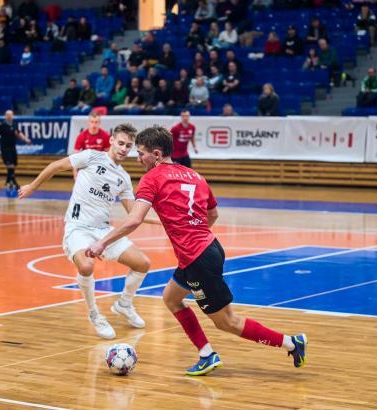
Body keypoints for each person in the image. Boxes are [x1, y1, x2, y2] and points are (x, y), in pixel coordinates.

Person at [85, 126, 307, 375]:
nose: (137, 159)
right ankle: (206, 353)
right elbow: (213, 214)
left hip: (198, 258)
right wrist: (193, 231)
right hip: (208, 248)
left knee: (226, 322)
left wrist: (102, 242)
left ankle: (291, 342)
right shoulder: (195, 175)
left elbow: (134, 219)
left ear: (157, 154)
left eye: (141, 153)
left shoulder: (152, 178)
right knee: (171, 297)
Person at [18, 124, 153, 339]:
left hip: (103, 230)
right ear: (111, 140)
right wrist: (33, 187)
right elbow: (55, 166)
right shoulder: (91, 157)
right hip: (77, 228)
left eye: (128, 146)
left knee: (142, 263)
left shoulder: (124, 178)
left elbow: (134, 212)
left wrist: (167, 221)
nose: (124, 149)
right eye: (120, 143)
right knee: (86, 265)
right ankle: (94, 314)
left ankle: (124, 304)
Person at [0, 110, 31, 189]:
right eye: (8, 115)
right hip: (5, 148)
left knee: (14, 164)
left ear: (13, 116)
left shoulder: (14, 125)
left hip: (12, 147)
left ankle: (8, 181)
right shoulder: (1, 125)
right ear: (5, 116)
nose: (10, 116)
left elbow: (18, 133)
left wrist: (25, 139)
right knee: (10, 165)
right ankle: (14, 182)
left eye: (11, 115)